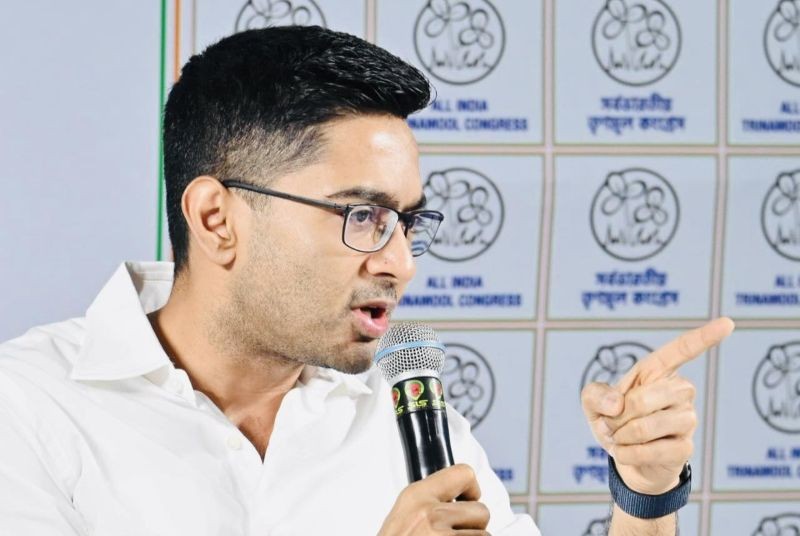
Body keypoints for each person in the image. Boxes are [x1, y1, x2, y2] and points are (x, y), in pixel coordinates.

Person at [0, 25, 733, 535]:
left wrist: (644, 495)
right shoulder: (29, 408)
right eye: (362, 215)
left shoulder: (410, 414)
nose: (401, 262)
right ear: (217, 219)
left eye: (407, 222)